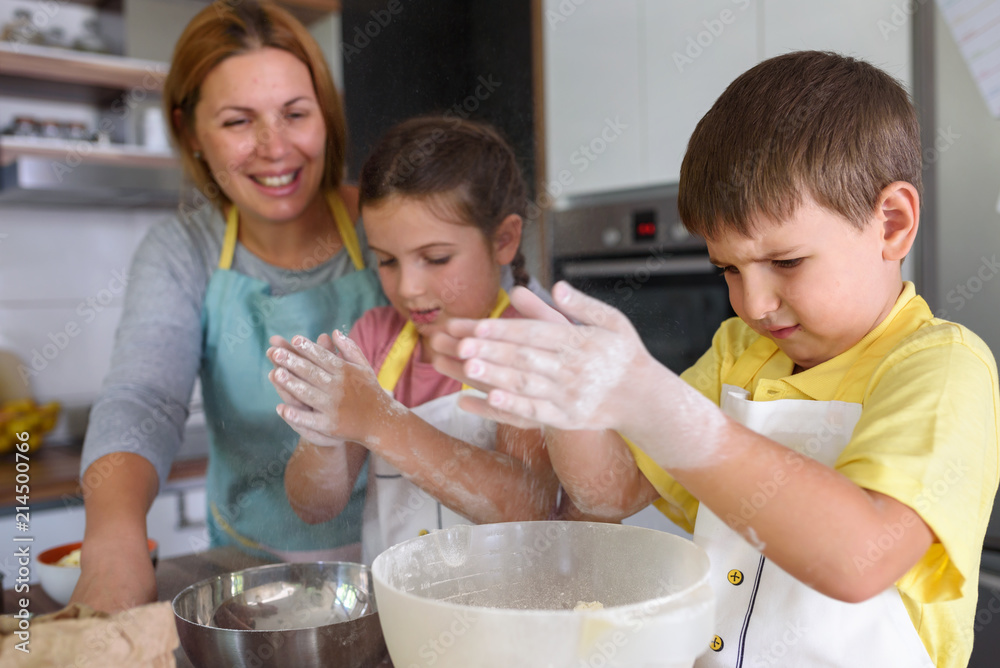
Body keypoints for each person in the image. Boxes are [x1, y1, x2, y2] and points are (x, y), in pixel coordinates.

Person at [430, 51, 1000, 667]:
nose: (753, 303)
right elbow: (610, 492)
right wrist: (572, 404)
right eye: (728, 269)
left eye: (785, 262)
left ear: (891, 223)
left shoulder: (941, 369)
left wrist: (658, 405)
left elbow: (861, 558)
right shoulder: (740, 353)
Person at [71, 1, 387, 612]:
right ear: (190, 131)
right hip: (250, 580)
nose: (275, 147)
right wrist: (112, 540)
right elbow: (145, 398)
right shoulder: (182, 249)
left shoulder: (389, 228)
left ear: (325, 114)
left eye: (296, 113)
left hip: (408, 561)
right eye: (239, 121)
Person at [266, 117, 560, 563]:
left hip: (506, 603)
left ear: (504, 240)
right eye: (387, 261)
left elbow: (528, 506)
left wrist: (378, 420)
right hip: (397, 604)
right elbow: (314, 508)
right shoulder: (374, 339)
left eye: (436, 258)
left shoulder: (527, 344)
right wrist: (321, 435)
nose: (408, 288)